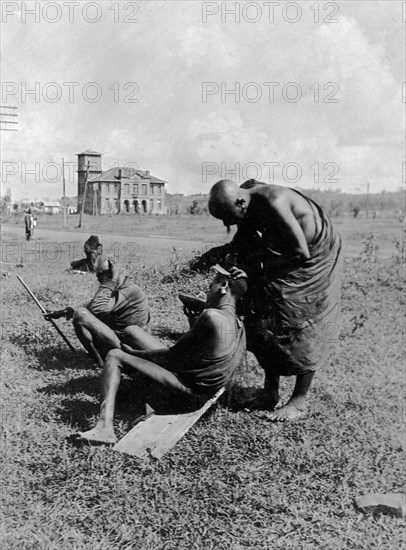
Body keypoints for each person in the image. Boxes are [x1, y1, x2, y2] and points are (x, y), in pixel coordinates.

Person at [194, 179, 343, 421]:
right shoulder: (247, 199)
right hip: (286, 254)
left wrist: (254, 269)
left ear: (241, 202)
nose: (226, 223)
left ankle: (298, 400)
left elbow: (300, 252)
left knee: (299, 321)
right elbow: (244, 240)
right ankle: (269, 392)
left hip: (313, 257)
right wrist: (220, 256)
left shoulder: (273, 201)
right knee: (262, 312)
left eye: (228, 217)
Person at [76, 270, 247, 444]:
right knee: (132, 331)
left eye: (211, 287)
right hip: (200, 388)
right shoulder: (238, 323)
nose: (208, 292)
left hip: (188, 396)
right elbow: (204, 352)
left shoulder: (211, 315)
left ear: (223, 286)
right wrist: (193, 323)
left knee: (115, 355)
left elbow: (171, 357)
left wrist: (133, 355)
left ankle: (105, 429)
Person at [44, 254, 151, 367]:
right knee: (81, 312)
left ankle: (100, 362)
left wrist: (112, 280)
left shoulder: (129, 289)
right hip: (123, 340)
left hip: (132, 348)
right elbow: (92, 302)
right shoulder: (120, 286)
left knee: (81, 315)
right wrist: (64, 312)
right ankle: (101, 358)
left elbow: (97, 308)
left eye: (106, 273)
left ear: (117, 272)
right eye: (98, 275)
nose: (101, 278)